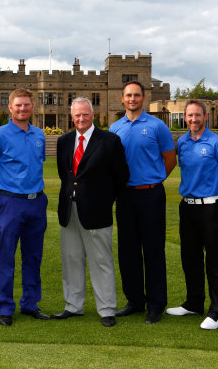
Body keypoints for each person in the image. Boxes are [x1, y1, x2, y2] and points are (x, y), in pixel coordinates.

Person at [52, 97, 129, 327]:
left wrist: (104, 200)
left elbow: (121, 177)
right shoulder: (64, 141)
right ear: (71, 116)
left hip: (97, 211)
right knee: (71, 259)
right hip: (69, 209)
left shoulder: (109, 141)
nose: (81, 119)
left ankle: (106, 309)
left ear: (93, 115)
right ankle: (73, 306)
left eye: (85, 114)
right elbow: (65, 175)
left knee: (100, 261)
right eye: (77, 115)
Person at [0, 88, 49, 326]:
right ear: (10, 108)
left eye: (27, 105)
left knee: (33, 256)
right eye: (18, 105)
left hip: (36, 202)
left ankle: (30, 304)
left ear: (33, 107)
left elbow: (37, 165)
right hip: (9, 203)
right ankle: (6, 307)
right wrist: (0, 195)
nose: (22, 109)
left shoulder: (39, 134)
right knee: (6, 256)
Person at [110, 80, 177, 324]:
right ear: (122, 98)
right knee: (128, 250)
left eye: (137, 95)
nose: (132, 99)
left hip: (151, 195)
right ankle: (135, 301)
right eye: (128, 95)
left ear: (144, 97)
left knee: (153, 250)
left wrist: (154, 179)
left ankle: (156, 303)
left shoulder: (157, 126)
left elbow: (170, 159)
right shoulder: (115, 128)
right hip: (125, 196)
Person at [166, 100, 218, 330]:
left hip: (210, 208)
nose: (193, 119)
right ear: (185, 117)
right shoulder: (182, 142)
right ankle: (194, 303)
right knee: (190, 257)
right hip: (187, 206)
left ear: (205, 116)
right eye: (189, 116)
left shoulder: (217, 143)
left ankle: (216, 312)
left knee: (214, 261)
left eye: (197, 115)